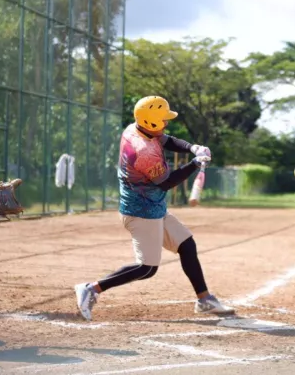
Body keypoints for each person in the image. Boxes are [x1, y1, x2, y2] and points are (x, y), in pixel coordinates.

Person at [74, 96, 235, 321]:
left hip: (153, 207)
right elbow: (167, 182)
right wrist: (194, 164)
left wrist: (193, 148)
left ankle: (204, 299)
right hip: (140, 213)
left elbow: (166, 140)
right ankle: (92, 289)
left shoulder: (136, 127)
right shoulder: (143, 150)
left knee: (186, 245)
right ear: (150, 122)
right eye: (163, 120)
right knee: (147, 268)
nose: (166, 123)